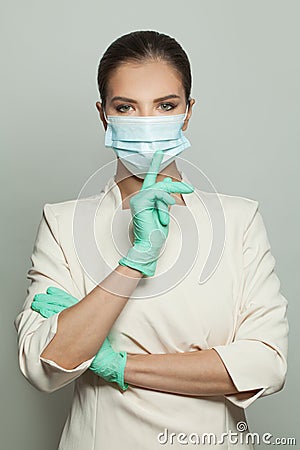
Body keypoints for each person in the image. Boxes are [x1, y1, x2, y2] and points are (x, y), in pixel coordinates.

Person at [14, 30, 289, 449]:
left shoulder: (238, 220)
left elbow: (267, 365)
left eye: (165, 105)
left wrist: (116, 365)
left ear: (188, 112)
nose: (146, 123)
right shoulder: (64, 224)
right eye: (126, 107)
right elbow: (44, 366)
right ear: (103, 114)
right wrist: (135, 260)